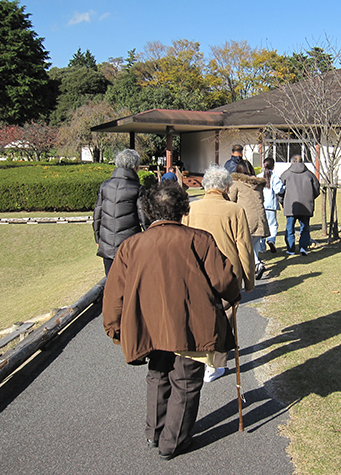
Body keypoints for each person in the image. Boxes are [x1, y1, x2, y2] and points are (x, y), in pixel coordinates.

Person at [102, 182, 241, 459]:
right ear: (182, 209)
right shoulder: (200, 240)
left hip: (148, 325)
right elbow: (226, 281)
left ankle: (155, 433)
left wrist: (116, 328)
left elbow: (114, 293)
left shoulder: (131, 245)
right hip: (190, 324)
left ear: (148, 211)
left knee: (158, 373)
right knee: (186, 381)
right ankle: (172, 442)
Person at [182, 165, 255, 383]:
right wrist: (249, 280)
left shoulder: (190, 209)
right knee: (225, 316)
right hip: (227, 272)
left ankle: (199, 358)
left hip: (196, 269)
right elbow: (244, 247)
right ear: (225, 187)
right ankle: (216, 364)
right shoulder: (234, 210)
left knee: (198, 314)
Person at [93, 148, 149, 275]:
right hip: (129, 245)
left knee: (111, 283)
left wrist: (97, 238)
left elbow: (97, 215)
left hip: (107, 245)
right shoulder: (137, 188)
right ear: (135, 167)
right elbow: (144, 218)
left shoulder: (105, 186)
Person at [229, 160, 270, 280]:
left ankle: (256, 265)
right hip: (260, 217)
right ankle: (256, 266)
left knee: (244, 246)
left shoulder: (236, 183)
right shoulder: (258, 184)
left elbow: (231, 200)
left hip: (246, 218)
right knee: (254, 245)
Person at [280, 155, 321, 256]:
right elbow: (317, 189)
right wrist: (310, 198)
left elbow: (279, 190)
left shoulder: (286, 174)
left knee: (290, 228)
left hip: (291, 206)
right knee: (305, 228)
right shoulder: (310, 174)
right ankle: (303, 247)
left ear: (292, 162)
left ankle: (291, 249)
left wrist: (282, 202)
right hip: (306, 205)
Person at [258, 157, 285, 253]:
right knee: (272, 225)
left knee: (261, 226)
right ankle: (271, 240)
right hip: (271, 205)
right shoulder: (275, 177)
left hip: (260, 205)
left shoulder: (258, 177)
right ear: (273, 166)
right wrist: (284, 187)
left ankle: (261, 247)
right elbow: (279, 190)